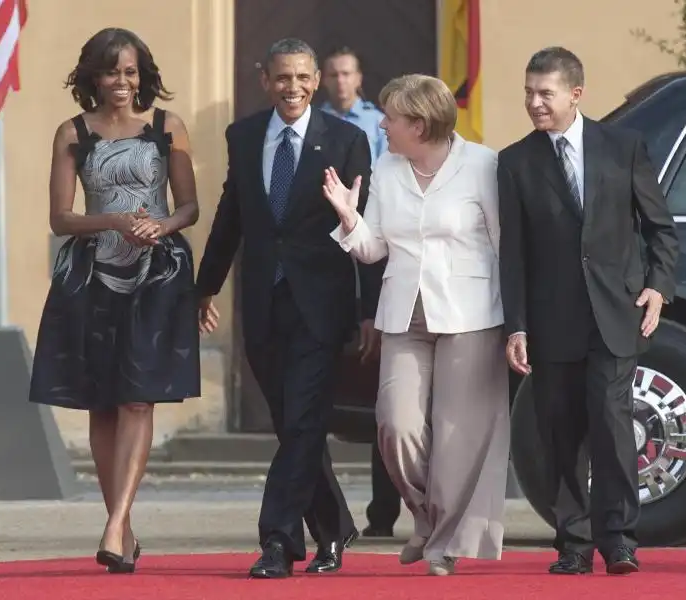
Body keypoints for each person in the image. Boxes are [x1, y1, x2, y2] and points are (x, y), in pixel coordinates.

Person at [195, 38, 381, 579]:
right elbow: (232, 213)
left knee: (303, 421)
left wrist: (370, 310)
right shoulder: (244, 135)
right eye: (282, 78)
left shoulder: (347, 140)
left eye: (302, 77)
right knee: (292, 425)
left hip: (320, 308)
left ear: (316, 80)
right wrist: (204, 287)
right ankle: (333, 526)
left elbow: (362, 230)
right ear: (265, 79)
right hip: (262, 304)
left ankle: (277, 540)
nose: (292, 87)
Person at [497, 47, 679, 575]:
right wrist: (517, 325)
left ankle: (618, 538)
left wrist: (657, 288)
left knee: (611, 421)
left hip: (615, 313)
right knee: (562, 432)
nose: (534, 103)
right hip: (551, 322)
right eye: (529, 92)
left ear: (575, 93)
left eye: (544, 93)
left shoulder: (622, 147)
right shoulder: (515, 161)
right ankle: (573, 544)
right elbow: (513, 253)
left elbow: (659, 228)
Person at [29, 28, 201, 574]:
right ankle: (123, 529)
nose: (121, 83)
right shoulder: (71, 132)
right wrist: (113, 220)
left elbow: (189, 206)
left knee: (138, 398)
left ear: (142, 76)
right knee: (103, 402)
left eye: (129, 72)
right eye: (110, 72)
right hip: (89, 275)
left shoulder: (167, 128)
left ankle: (111, 525)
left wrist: (161, 224)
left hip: (158, 274)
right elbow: (60, 217)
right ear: (92, 77)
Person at [324, 74, 510, 576]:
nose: (381, 124)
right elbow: (373, 247)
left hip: (471, 316)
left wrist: (517, 323)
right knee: (395, 424)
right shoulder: (387, 167)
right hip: (404, 314)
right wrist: (348, 218)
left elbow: (503, 245)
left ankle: (440, 545)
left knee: (457, 438)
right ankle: (426, 516)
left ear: (420, 124)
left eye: (391, 117)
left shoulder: (482, 165)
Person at [320, 45, 401, 539]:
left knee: (387, 407)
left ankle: (385, 512)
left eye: (347, 72)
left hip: (378, 256)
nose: (340, 80)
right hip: (335, 255)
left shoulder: (378, 127)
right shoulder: (315, 124)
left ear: (359, 77)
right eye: (332, 73)